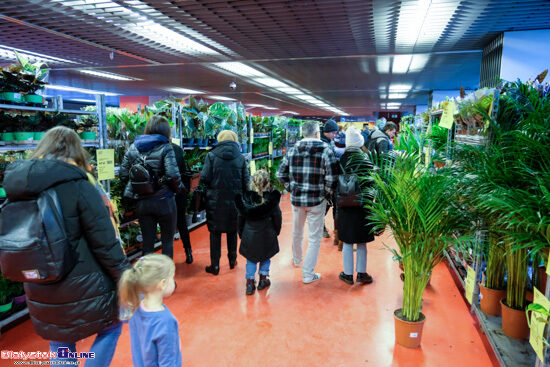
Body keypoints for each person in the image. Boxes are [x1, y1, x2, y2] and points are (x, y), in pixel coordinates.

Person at [2, 126, 130, 366]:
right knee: (112, 326)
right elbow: (105, 243)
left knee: (59, 339)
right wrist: (127, 277)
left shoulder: (18, 188)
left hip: (38, 283)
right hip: (83, 280)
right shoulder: (79, 185)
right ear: (76, 151)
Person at [277, 120, 339, 284]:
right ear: (317, 133)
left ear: (302, 132)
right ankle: (307, 273)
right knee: (314, 238)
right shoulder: (326, 150)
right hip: (317, 200)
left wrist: (291, 187)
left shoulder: (292, 150)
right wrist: (325, 194)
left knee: (297, 232)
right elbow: (332, 177)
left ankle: (297, 260)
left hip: (297, 199)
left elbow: (280, 174)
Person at [120, 115, 183, 259]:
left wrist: (141, 186)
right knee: (167, 243)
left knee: (147, 244)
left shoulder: (132, 148)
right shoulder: (166, 148)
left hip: (143, 203)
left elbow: (124, 174)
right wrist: (178, 190)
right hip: (164, 201)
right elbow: (173, 175)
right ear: (166, 131)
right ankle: (166, 280)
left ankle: (147, 279)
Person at [200, 130, 250, 275]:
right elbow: (246, 181)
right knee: (232, 231)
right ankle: (232, 260)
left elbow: (204, 178)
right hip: (235, 201)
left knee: (215, 233)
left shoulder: (211, 156)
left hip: (215, 201)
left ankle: (215, 266)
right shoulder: (240, 158)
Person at [118, 254, 182, 367]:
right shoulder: (166, 322)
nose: (173, 281)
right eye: (172, 277)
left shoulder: (136, 308)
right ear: (162, 284)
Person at [336, 127, 376, 285]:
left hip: (345, 204)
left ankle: (347, 274)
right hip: (363, 204)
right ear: (360, 142)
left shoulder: (341, 159)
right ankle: (362, 273)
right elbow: (372, 182)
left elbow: (334, 180)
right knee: (361, 240)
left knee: (347, 240)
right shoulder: (365, 159)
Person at [235, 170, 282, 295]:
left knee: (251, 259)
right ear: (267, 183)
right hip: (267, 234)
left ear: (253, 183)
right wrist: (276, 231)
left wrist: (241, 233)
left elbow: (240, 218)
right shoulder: (271, 201)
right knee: (265, 256)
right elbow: (278, 217)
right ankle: (263, 279)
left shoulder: (245, 200)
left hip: (249, 235)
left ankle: (250, 283)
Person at [172, 142, 193, 264]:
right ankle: (188, 252)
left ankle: (167, 261)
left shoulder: (157, 150)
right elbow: (184, 170)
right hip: (180, 191)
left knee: (166, 227)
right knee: (182, 223)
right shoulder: (178, 149)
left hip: (167, 193)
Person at [320, 119, 339, 239]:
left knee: (329, 206)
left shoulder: (329, 142)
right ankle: (320, 228)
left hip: (330, 181)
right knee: (323, 207)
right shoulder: (322, 144)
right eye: (333, 133)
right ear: (327, 132)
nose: (334, 135)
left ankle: (335, 230)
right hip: (324, 181)